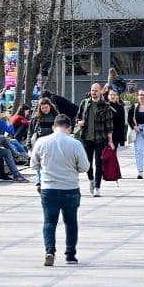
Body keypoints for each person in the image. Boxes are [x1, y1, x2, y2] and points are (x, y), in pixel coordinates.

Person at [32, 114, 91, 266]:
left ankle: (49, 251)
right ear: (69, 128)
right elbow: (85, 167)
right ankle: (70, 254)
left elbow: (34, 165)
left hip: (49, 188)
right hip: (70, 187)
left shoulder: (41, 142)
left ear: (53, 127)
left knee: (49, 222)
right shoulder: (75, 144)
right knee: (71, 222)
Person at [76, 83, 118, 197]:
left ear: (100, 92)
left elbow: (109, 126)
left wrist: (110, 141)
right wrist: (79, 122)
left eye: (95, 90)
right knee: (87, 163)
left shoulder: (105, 106)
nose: (93, 92)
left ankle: (97, 187)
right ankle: (91, 180)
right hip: (86, 138)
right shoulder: (85, 103)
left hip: (100, 138)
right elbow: (78, 117)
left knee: (99, 164)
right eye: (92, 90)